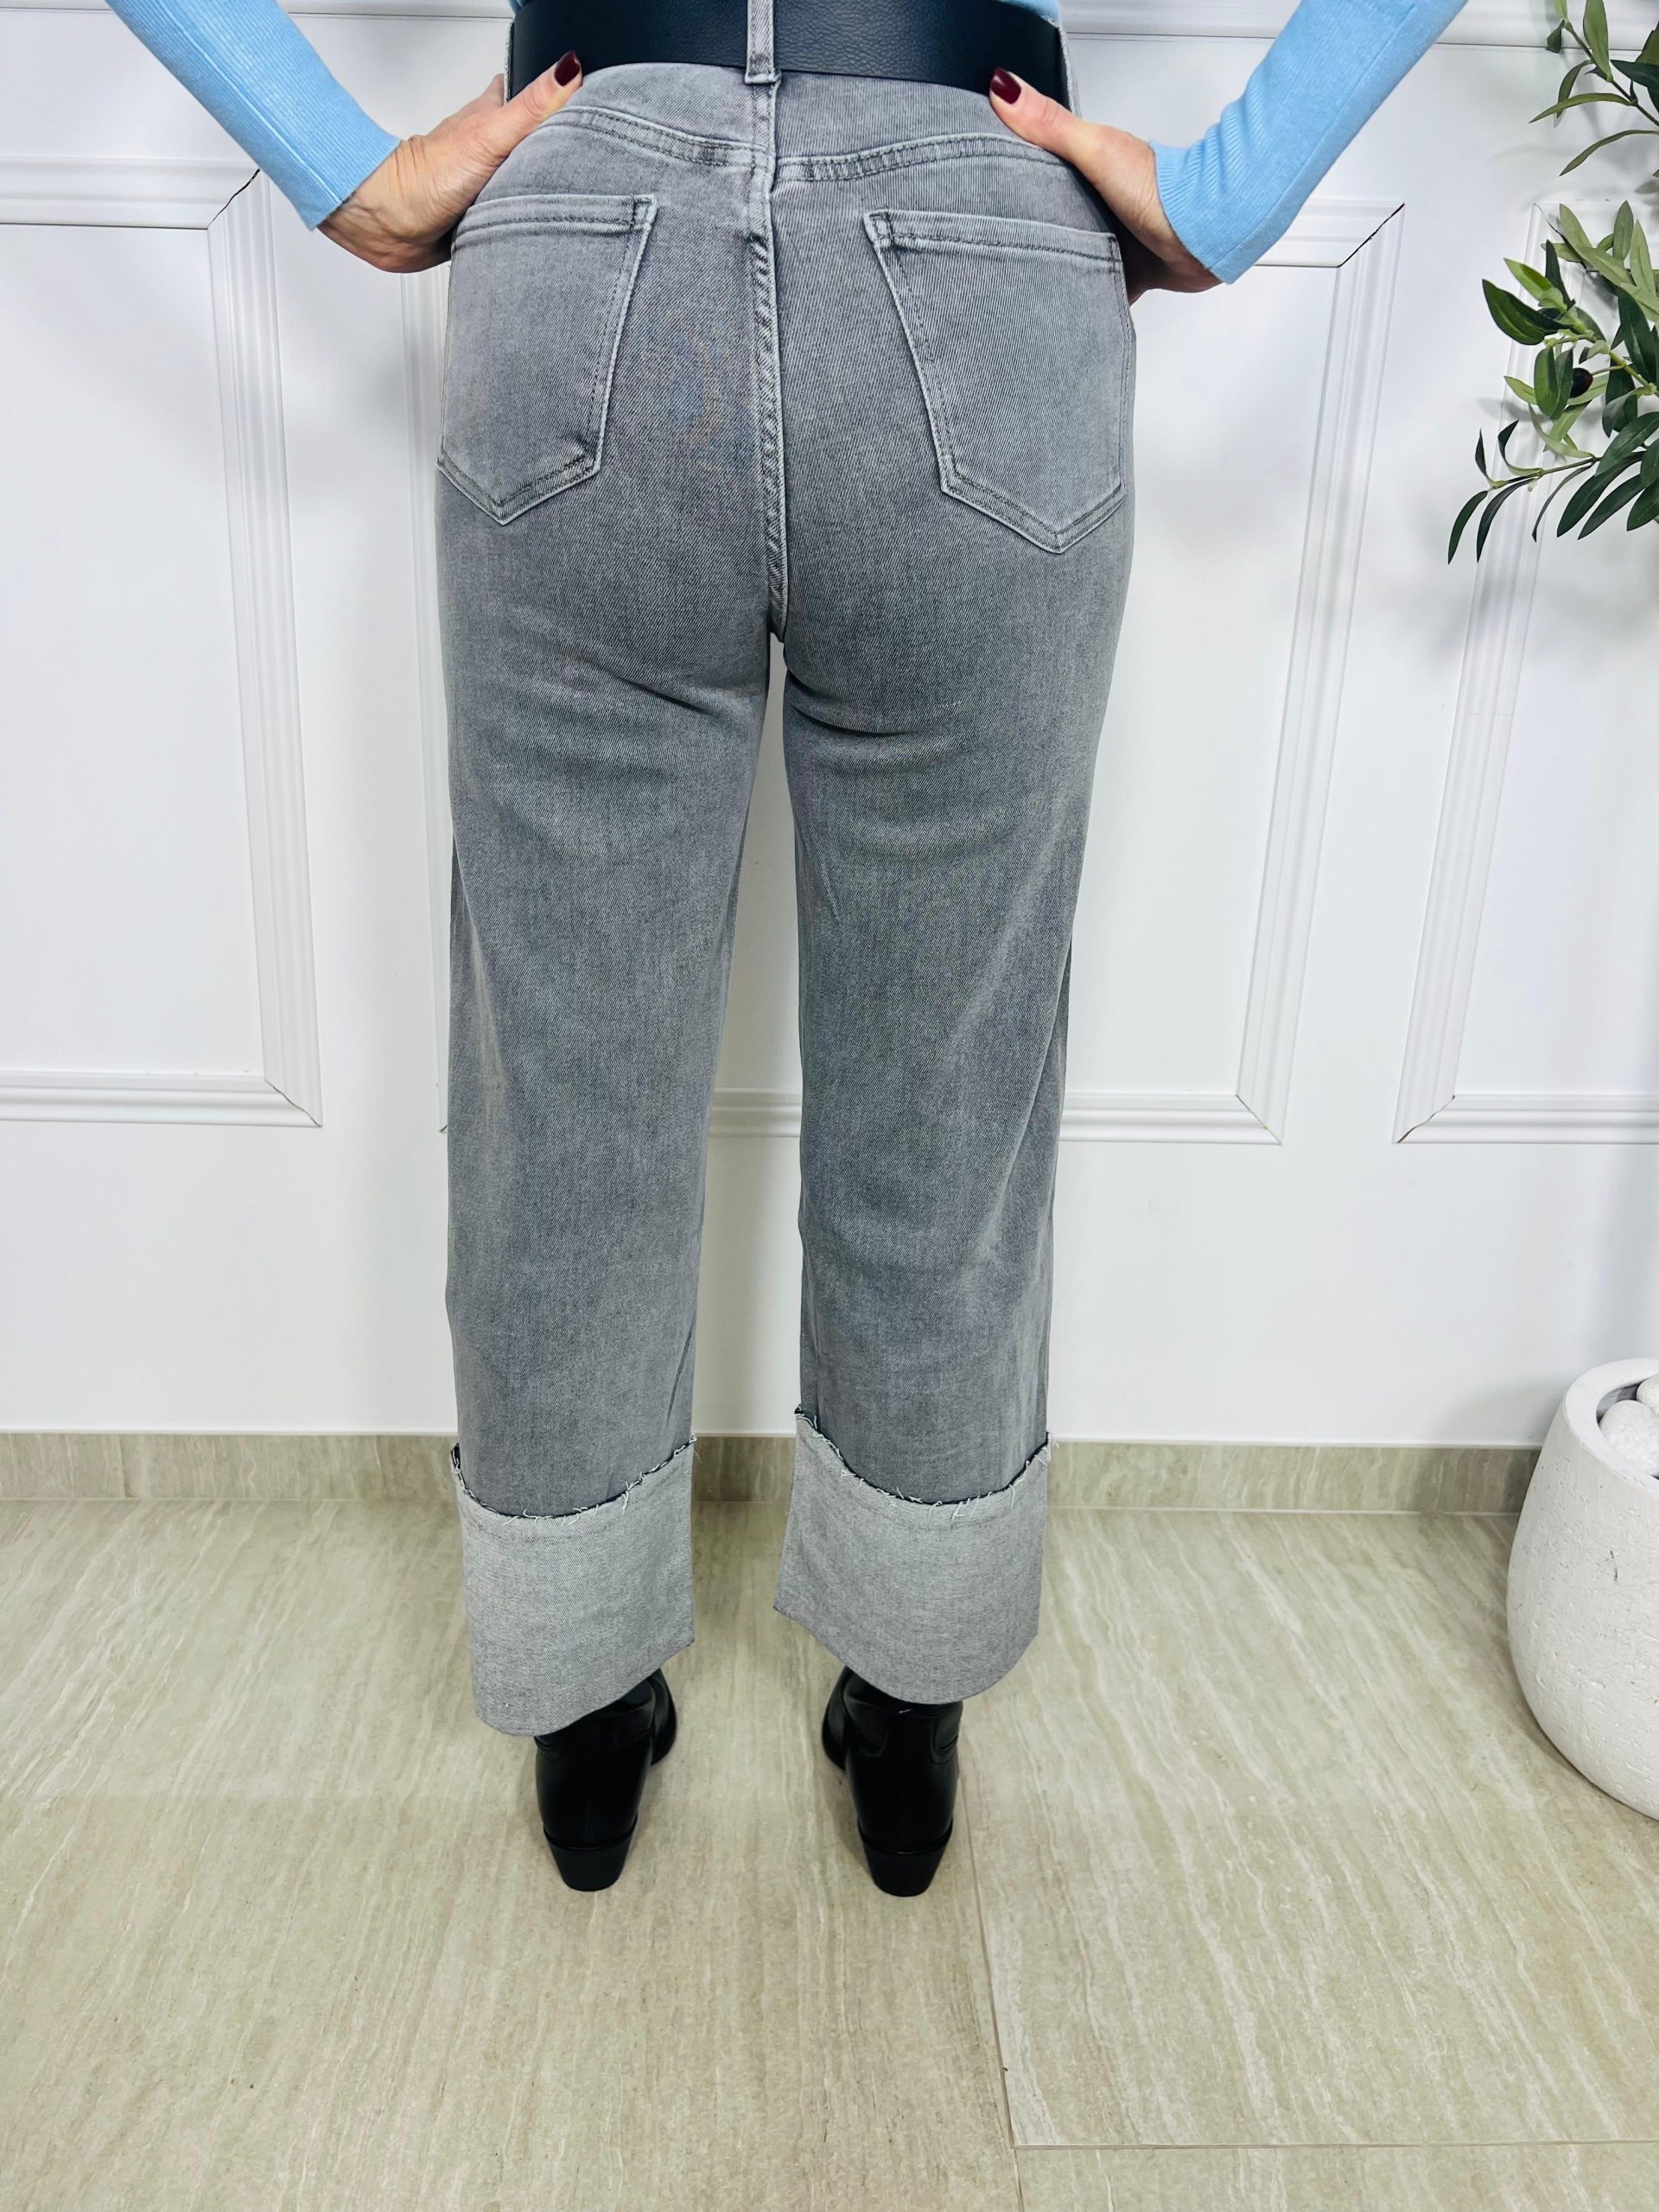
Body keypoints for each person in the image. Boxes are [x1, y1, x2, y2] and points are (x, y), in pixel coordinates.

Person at [105, 0, 1465, 1894]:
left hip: (590, 230)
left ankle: (587, 1722)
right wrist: (1228, 192)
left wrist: (347, 171)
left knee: (564, 1094)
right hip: (978, 243)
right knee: (949, 1090)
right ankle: (908, 1716)